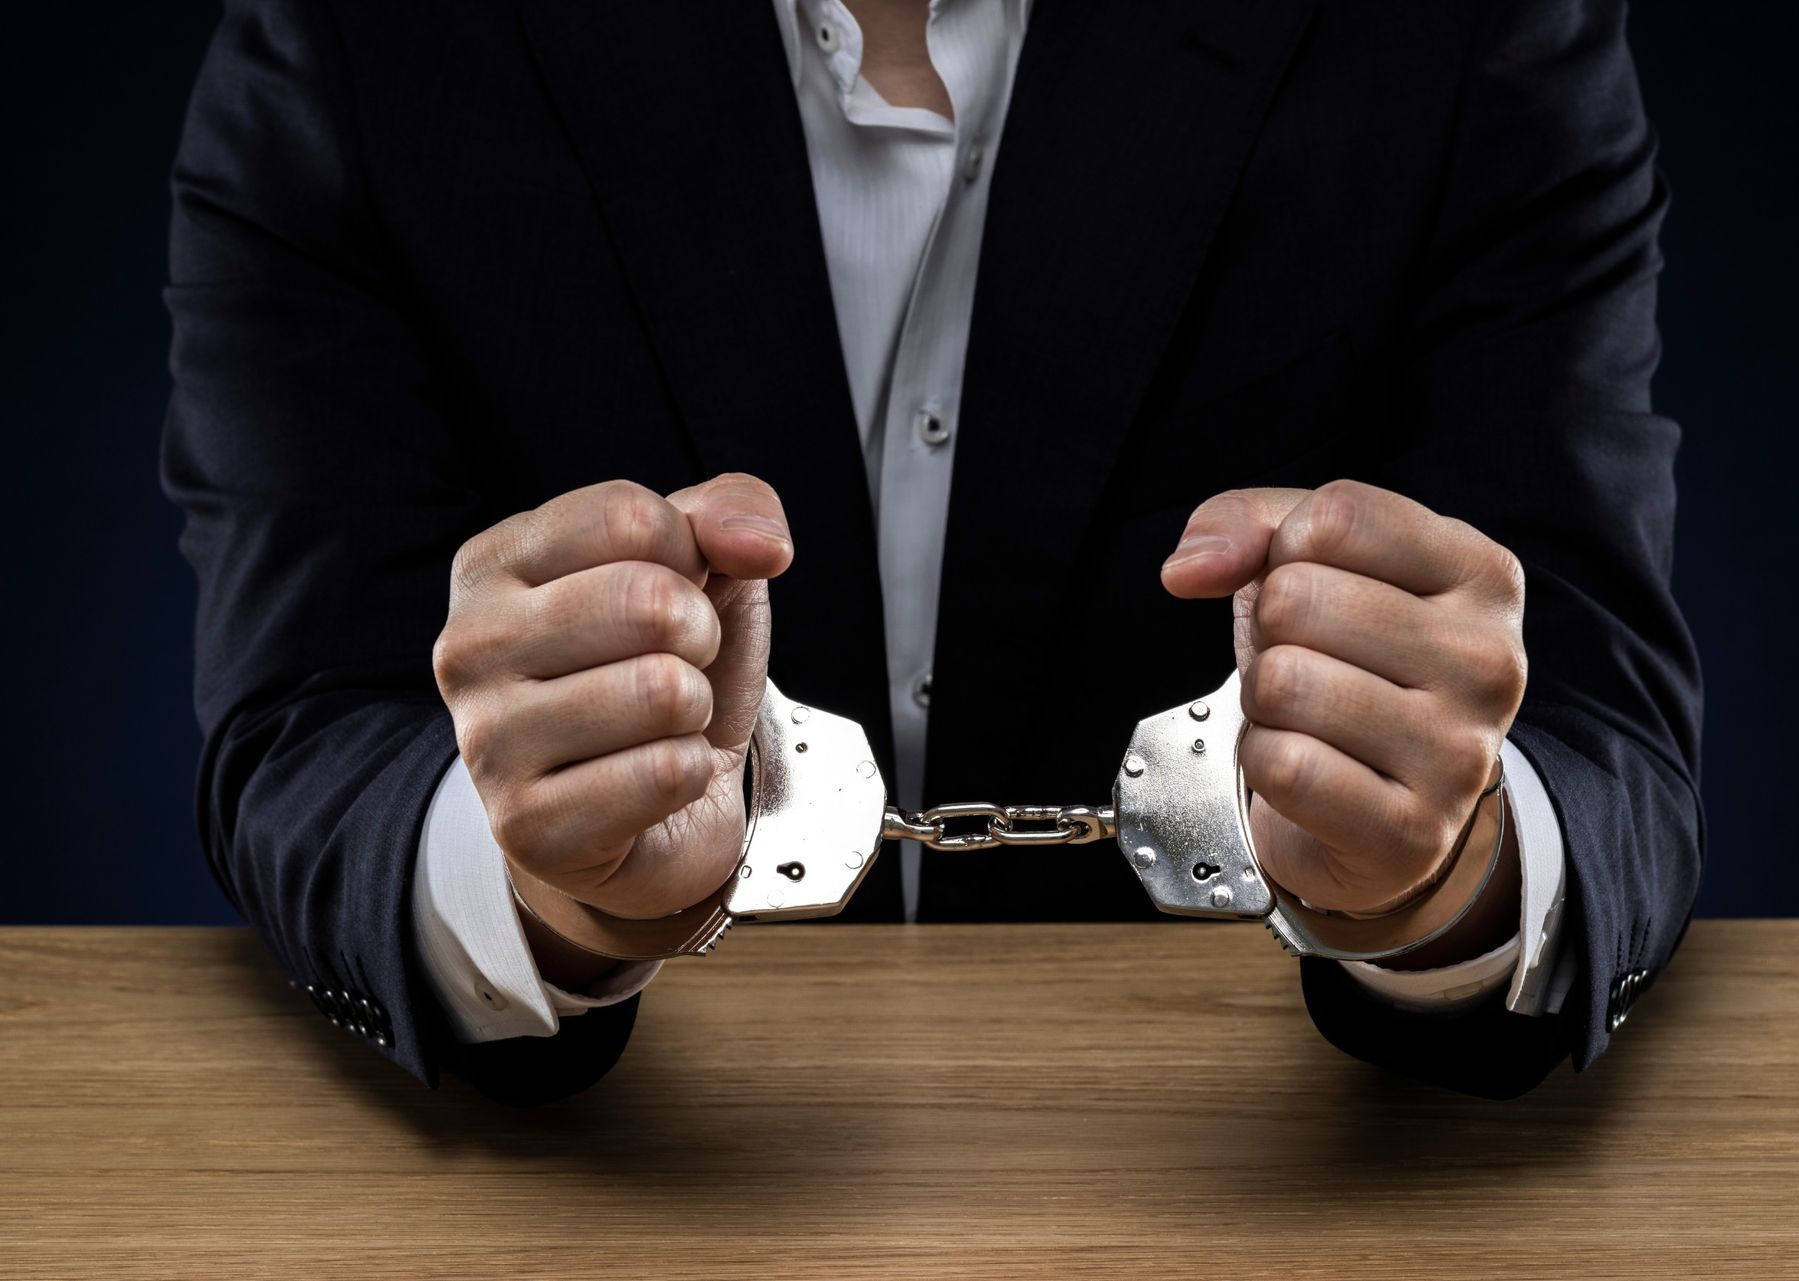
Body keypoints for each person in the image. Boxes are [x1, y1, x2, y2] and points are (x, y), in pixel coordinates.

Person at [162, 0, 1702, 1104]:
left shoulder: (1470, 33)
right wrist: (540, 888)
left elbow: (1597, 730)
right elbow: (305, 733)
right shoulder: (349, 42)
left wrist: (1446, 869)